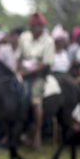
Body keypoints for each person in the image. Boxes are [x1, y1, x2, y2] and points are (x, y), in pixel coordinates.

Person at [18, 12, 55, 148]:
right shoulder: (24, 37)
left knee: (35, 100)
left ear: (43, 26)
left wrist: (27, 72)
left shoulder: (48, 41)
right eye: (34, 26)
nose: (37, 29)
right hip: (23, 73)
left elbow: (46, 63)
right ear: (31, 27)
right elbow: (18, 55)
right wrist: (17, 71)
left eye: (39, 26)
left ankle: (37, 134)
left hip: (39, 75)